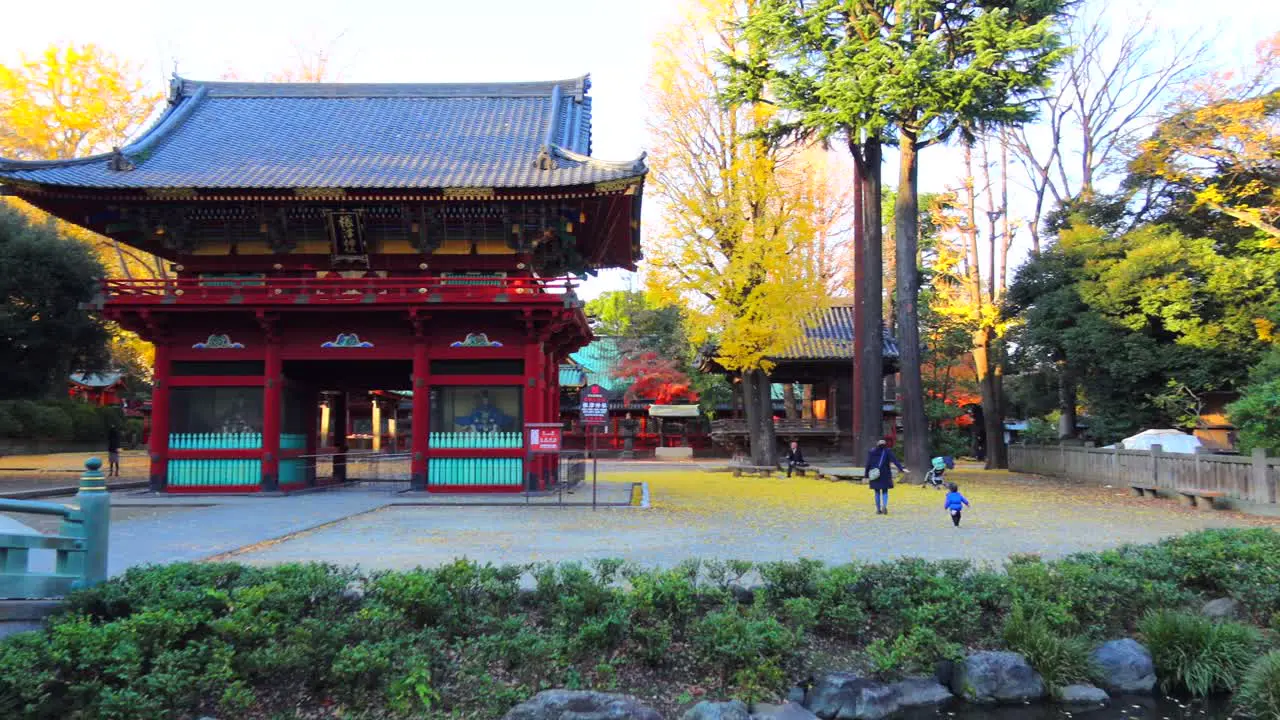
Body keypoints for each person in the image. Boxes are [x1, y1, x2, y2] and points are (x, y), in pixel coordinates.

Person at [865, 438, 906, 514]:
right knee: (885, 491)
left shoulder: (871, 452)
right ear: (885, 445)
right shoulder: (887, 451)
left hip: (874, 474)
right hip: (885, 474)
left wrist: (866, 475)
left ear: (877, 444)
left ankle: (878, 509)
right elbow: (895, 460)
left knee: (877, 492)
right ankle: (884, 505)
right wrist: (901, 469)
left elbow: (868, 464)